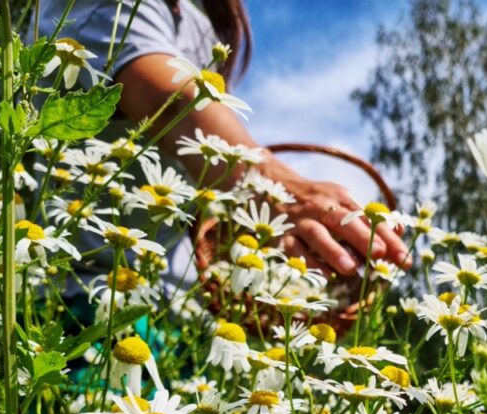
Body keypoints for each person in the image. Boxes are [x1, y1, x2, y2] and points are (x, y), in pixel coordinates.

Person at [35, 0, 409, 294]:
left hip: (178, 307)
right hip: (83, 295)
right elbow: (172, 105)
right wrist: (283, 194)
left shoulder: (198, 28)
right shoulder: (110, 6)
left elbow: (208, 176)